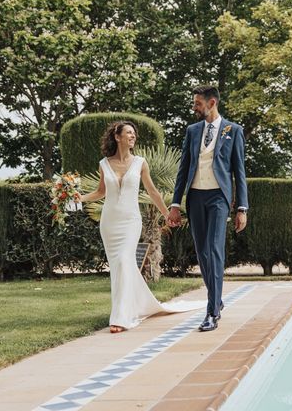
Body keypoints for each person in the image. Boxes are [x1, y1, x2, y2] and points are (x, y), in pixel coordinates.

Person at [79, 121, 203, 333]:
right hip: (109, 223)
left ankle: (120, 317)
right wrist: (79, 197)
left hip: (130, 222)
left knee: (125, 260)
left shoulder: (140, 163)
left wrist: (167, 213)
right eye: (128, 133)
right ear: (117, 137)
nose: (133, 136)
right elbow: (101, 192)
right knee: (119, 267)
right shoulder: (104, 164)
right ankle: (132, 307)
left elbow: (153, 192)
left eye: (134, 133)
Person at [167, 85, 248, 332]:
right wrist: (175, 204)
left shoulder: (233, 131)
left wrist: (242, 207)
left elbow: (239, 172)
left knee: (214, 249)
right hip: (195, 197)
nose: (194, 107)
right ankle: (217, 298)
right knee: (202, 252)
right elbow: (183, 170)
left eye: (198, 103)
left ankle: (212, 312)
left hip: (218, 198)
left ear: (212, 103)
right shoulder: (192, 131)